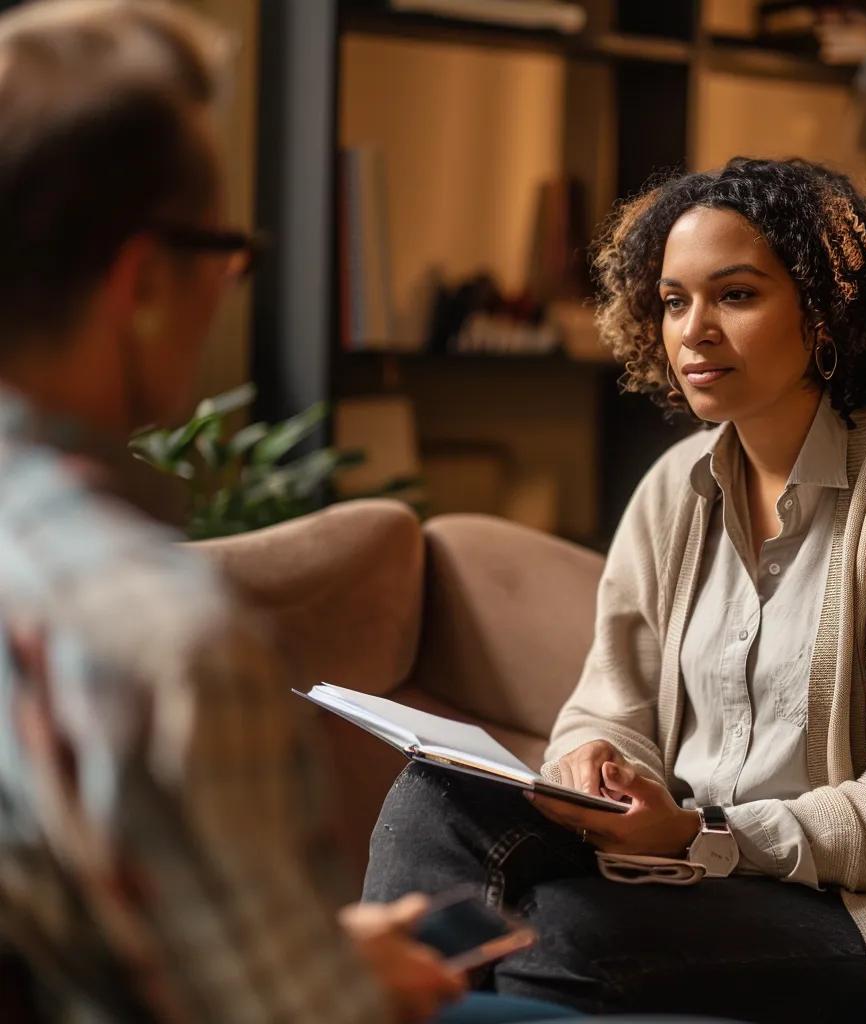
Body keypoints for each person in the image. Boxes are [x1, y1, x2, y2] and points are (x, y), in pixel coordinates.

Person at [0, 3, 581, 1023]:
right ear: (139, 283)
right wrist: (351, 982)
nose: (227, 285)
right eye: (227, 249)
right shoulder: (161, 640)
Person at [364, 158, 866, 1023]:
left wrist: (703, 833)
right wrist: (598, 765)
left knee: (557, 939)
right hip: (680, 866)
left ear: (825, 307)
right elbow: (609, 705)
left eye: (736, 295)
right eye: (674, 301)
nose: (693, 331)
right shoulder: (675, 486)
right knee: (435, 797)